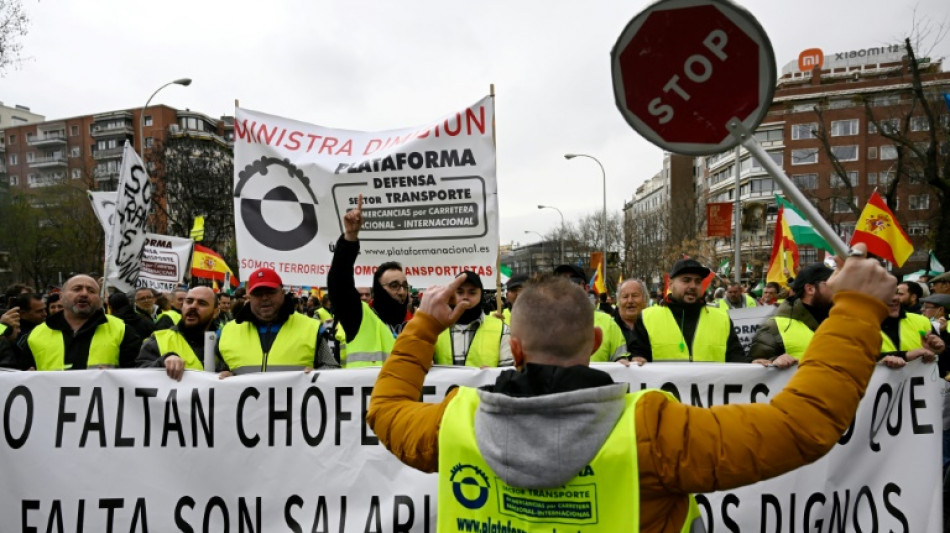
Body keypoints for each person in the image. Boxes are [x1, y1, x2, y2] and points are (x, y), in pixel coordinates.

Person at [367, 245, 897, 532]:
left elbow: (387, 408)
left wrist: (423, 326)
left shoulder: (454, 422)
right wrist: (856, 309)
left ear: (518, 348)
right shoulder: (653, 431)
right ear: (597, 340)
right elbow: (801, 426)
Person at [327, 195, 412, 367]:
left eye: (404, 286)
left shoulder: (418, 325)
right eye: (394, 286)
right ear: (378, 290)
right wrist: (350, 237)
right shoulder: (360, 317)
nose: (401, 292)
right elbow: (339, 281)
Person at [216, 267, 337, 376]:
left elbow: (332, 368)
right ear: (249, 298)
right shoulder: (226, 332)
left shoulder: (312, 329)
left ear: (283, 293)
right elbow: (211, 375)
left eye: (270, 292)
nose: (264, 298)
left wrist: (319, 375)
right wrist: (222, 375)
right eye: (258, 294)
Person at [625, 259, 744, 364]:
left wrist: (754, 365)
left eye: (698, 281)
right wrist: (636, 359)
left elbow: (737, 358)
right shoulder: (647, 318)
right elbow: (637, 356)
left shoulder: (721, 319)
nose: (693, 286)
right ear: (671, 285)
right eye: (686, 280)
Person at [21, 274, 140, 370]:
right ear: (61, 297)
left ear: (100, 299)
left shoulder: (122, 330)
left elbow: (138, 374)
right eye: (77, 289)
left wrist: (115, 377)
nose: (84, 294)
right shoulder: (35, 336)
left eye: (91, 291)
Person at [747, 263, 834, 367]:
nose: (838, 289)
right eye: (831, 284)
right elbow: (755, 370)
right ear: (810, 289)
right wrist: (773, 362)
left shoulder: (841, 319)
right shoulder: (774, 328)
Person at [138, 286, 220, 380]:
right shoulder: (157, 340)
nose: (193, 306)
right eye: (189, 301)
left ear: (215, 312)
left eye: (202, 303)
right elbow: (137, 378)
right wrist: (162, 361)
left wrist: (230, 375)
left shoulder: (223, 343)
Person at [433, 271, 512, 367]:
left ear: (481, 295)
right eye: (460, 292)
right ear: (452, 295)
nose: (465, 297)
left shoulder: (502, 330)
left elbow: (509, 372)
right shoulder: (435, 328)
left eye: (472, 292)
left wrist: (494, 376)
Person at [554, 264, 628, 362]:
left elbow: (621, 361)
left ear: (586, 288)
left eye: (573, 282)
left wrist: (623, 362)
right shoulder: (544, 325)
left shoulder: (608, 323)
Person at [877, 278, 944, 370]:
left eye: (896, 292)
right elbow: (853, 360)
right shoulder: (856, 326)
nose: (894, 298)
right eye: (884, 294)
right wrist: (884, 359)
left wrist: (940, 351)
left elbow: (943, 366)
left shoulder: (921, 321)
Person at [613, 278, 648, 347]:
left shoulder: (655, 326)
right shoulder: (609, 328)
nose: (630, 301)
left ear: (645, 299)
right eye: (625, 297)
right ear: (618, 301)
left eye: (635, 295)